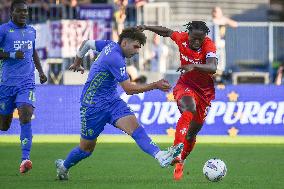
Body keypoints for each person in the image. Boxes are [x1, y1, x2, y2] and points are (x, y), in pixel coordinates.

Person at [55, 27, 183, 180]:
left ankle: (160, 155)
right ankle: (63, 167)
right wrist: (154, 85)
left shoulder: (109, 45)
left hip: (112, 102)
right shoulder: (115, 58)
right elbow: (128, 89)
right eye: (135, 46)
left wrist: (77, 61)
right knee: (86, 149)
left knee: (136, 129)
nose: (136, 51)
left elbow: (87, 43)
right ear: (124, 42)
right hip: (92, 107)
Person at [138, 21, 218, 180]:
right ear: (188, 35)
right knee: (189, 109)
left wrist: (193, 66)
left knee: (191, 134)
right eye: (194, 38)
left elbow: (213, 67)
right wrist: (147, 27)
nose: (196, 42)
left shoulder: (209, 45)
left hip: (205, 93)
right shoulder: (181, 38)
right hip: (185, 85)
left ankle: (181, 160)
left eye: (200, 39)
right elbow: (166, 32)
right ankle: (175, 150)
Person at [0, 0, 47, 174]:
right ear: (11, 12)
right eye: (20, 11)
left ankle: (25, 159)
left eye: (26, 11)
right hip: (6, 85)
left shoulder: (31, 31)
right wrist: (11, 54)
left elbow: (33, 51)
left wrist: (41, 72)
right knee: (4, 126)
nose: (24, 14)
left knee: (26, 115)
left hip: (26, 84)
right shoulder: (4, 30)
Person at [211, 6, 238, 74]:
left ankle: (220, 77)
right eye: (218, 12)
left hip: (221, 45)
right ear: (214, 13)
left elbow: (235, 24)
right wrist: (223, 20)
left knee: (221, 65)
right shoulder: (212, 21)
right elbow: (215, 21)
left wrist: (226, 20)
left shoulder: (223, 20)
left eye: (220, 12)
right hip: (212, 47)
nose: (220, 14)